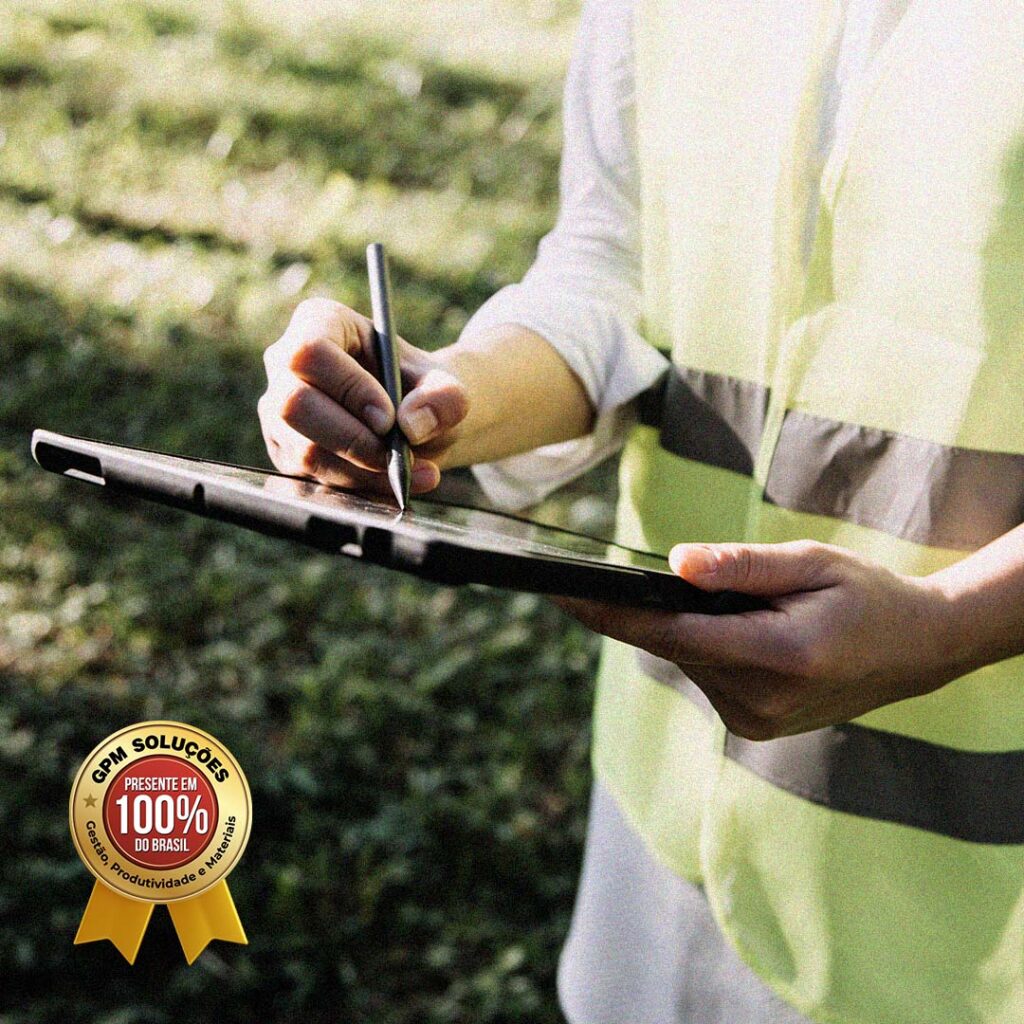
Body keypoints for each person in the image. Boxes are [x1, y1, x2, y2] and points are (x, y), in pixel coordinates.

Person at [258, 1, 1024, 1020]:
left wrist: (952, 625)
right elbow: (613, 265)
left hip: (974, 919)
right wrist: (443, 399)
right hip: (660, 849)